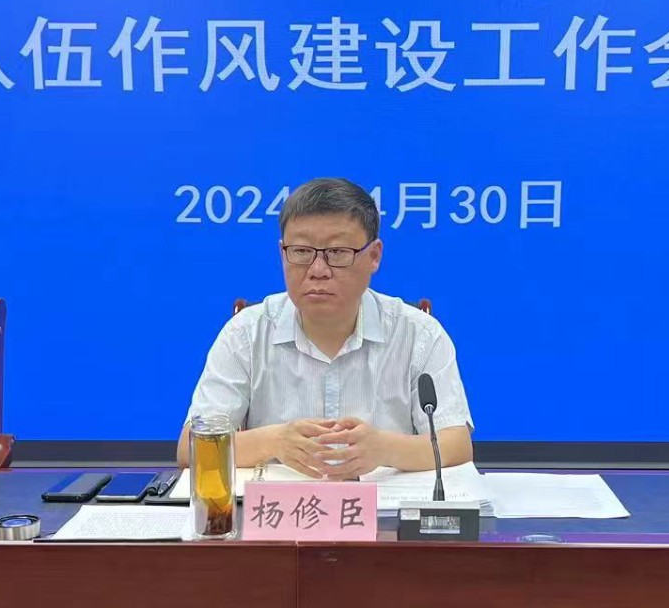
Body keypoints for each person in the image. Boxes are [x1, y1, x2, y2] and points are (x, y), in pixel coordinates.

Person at [179, 176, 473, 477]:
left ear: (374, 256)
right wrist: (273, 441)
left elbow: (457, 444)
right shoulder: (245, 333)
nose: (318, 270)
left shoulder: (419, 334)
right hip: (277, 506)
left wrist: (385, 449)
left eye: (337, 252)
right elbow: (191, 447)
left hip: (384, 504)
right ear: (283, 254)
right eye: (301, 252)